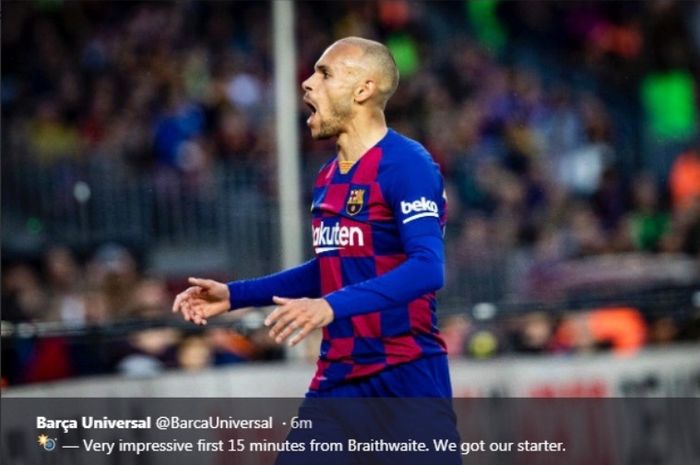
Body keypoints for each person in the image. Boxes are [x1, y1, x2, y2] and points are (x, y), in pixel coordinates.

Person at [173, 38, 460, 463]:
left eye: (324, 74)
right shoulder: (328, 177)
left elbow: (427, 268)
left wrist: (329, 307)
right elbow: (332, 266)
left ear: (363, 89)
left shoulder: (407, 164)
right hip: (337, 383)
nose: (307, 83)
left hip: (404, 380)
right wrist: (235, 295)